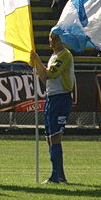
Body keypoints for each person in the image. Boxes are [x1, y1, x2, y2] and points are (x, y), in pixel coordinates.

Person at [31, 33, 74, 184]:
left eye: (56, 37)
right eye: (50, 37)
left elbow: (50, 74)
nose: (52, 40)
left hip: (61, 98)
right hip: (51, 98)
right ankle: (58, 174)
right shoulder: (53, 56)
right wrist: (36, 64)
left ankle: (57, 176)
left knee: (55, 136)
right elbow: (44, 78)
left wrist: (37, 61)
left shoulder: (64, 55)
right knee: (49, 137)